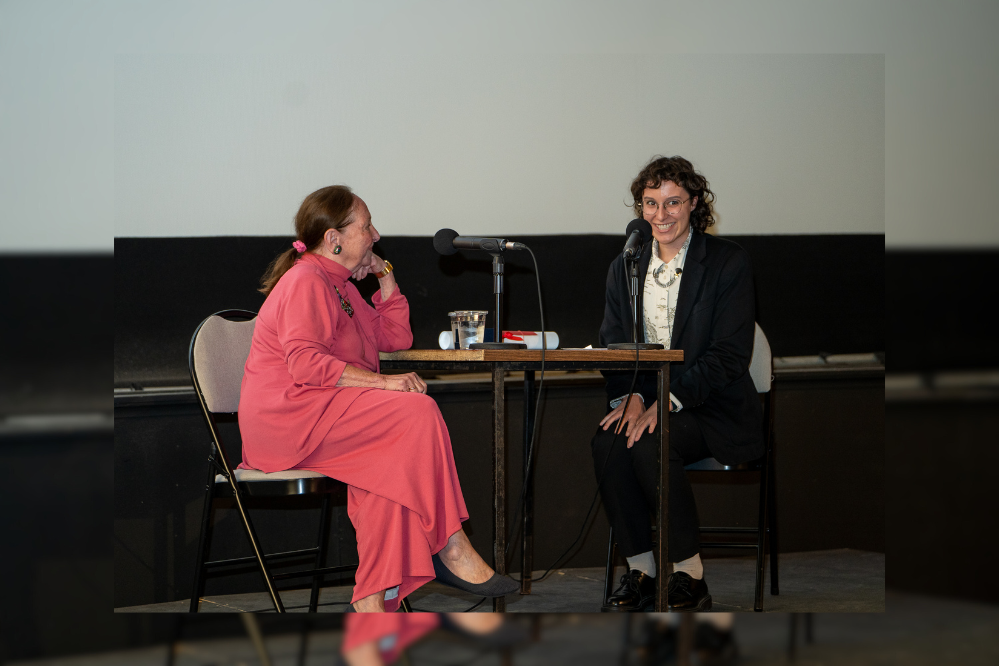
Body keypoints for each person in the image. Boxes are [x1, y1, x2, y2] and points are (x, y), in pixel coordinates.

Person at [238, 185, 519, 612]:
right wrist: (384, 384)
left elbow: (394, 337)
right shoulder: (305, 281)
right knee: (415, 411)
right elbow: (306, 366)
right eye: (367, 226)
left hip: (322, 414)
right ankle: (451, 544)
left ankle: (373, 602)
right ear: (334, 239)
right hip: (287, 419)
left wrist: (385, 276)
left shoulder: (340, 286)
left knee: (391, 473)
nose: (376, 234)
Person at [592, 156, 763, 612]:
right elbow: (614, 344)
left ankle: (689, 573)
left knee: (652, 441)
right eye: (650, 203)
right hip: (648, 398)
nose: (660, 214)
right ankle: (642, 569)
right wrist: (629, 396)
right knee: (607, 439)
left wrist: (667, 401)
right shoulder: (625, 266)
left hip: (715, 406)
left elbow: (729, 355)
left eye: (672, 202)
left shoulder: (727, 263)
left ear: (693, 205)